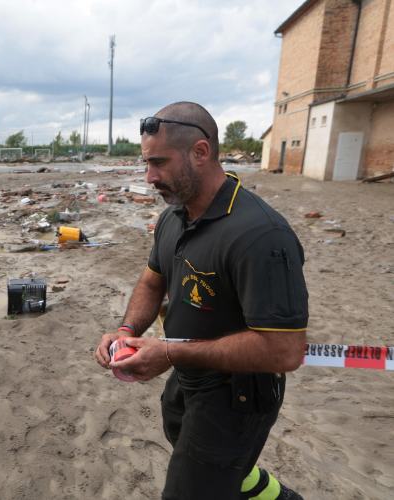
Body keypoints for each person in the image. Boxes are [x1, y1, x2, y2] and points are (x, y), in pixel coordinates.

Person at [94, 102, 308, 500]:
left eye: (159, 163)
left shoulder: (260, 235)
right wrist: (126, 331)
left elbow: (284, 351)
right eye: (146, 163)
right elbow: (151, 281)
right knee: (214, 467)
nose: (149, 177)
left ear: (201, 152)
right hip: (186, 377)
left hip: (238, 396)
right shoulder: (174, 217)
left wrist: (171, 354)